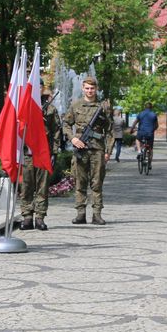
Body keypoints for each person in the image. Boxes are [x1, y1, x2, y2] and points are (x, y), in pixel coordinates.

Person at [61, 75, 114, 225]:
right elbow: (65, 124)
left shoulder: (102, 107)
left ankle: (97, 214)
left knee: (97, 183)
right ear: (83, 89)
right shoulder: (76, 105)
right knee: (80, 182)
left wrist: (108, 151)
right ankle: (80, 213)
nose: (90, 91)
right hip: (81, 149)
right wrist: (73, 138)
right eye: (87, 88)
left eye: (92, 88)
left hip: (97, 149)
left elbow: (109, 131)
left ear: (96, 89)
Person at [20, 87, 61, 231]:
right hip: (27, 153)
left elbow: (56, 131)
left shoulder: (50, 109)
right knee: (26, 186)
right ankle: (27, 217)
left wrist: (54, 153)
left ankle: (39, 217)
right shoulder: (23, 106)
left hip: (43, 153)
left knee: (42, 187)